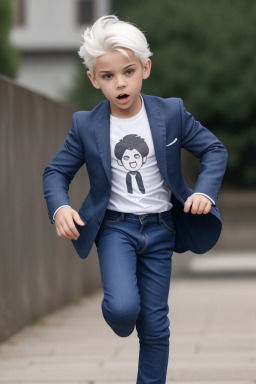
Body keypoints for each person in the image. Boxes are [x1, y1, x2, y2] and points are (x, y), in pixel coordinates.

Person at [43, 15, 228, 384]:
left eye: (128, 71)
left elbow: (214, 149)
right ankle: (121, 311)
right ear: (94, 80)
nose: (120, 83)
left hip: (161, 228)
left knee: (156, 324)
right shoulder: (85, 125)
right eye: (108, 76)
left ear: (145, 68)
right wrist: (60, 207)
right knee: (125, 309)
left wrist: (204, 191)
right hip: (115, 230)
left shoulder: (171, 113)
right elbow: (55, 173)